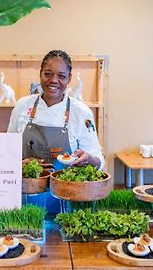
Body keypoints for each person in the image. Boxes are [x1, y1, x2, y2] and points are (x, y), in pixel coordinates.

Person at [7, 50, 104, 212]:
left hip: (68, 201)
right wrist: (18, 164)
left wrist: (89, 159)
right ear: (40, 74)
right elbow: (7, 153)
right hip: (25, 199)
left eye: (61, 76)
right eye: (48, 74)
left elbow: (98, 161)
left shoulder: (81, 112)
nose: (53, 81)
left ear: (69, 79)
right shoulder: (22, 107)